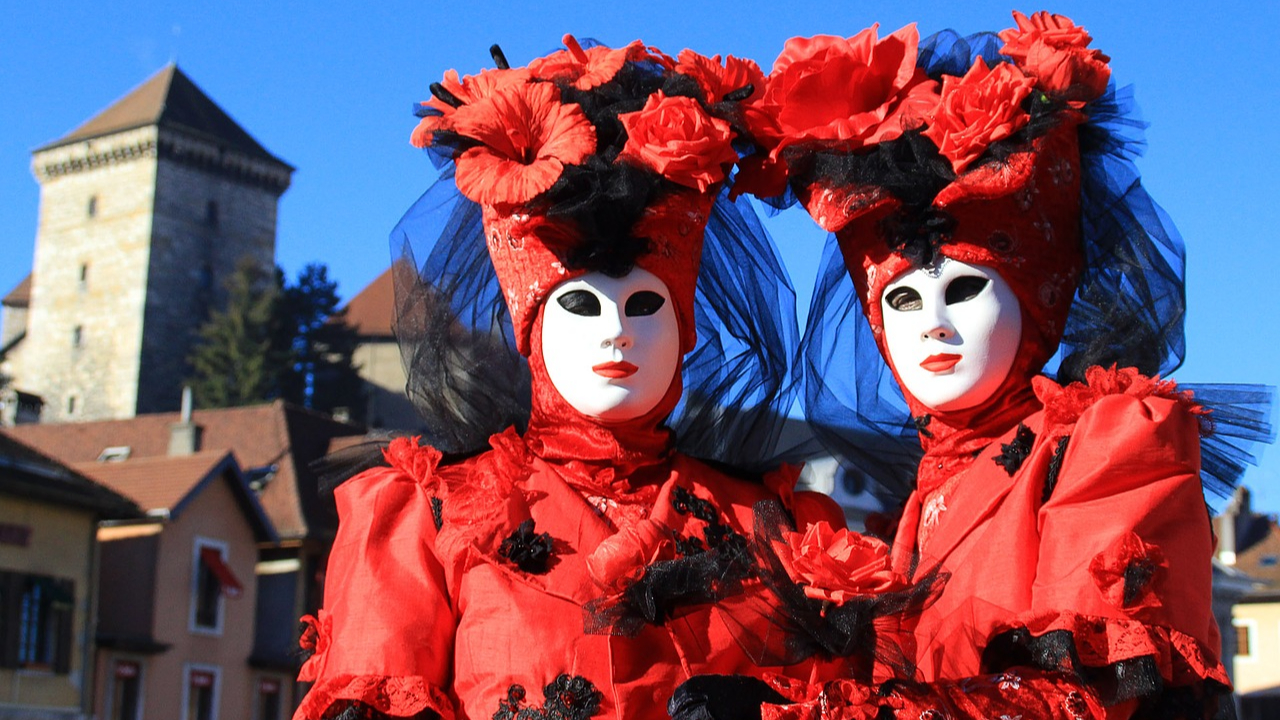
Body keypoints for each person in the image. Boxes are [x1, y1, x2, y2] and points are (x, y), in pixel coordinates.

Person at [676, 11, 1270, 720]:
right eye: (901, 297)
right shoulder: (932, 490)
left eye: (964, 287)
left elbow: (1076, 701)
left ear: (1038, 292)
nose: (933, 322)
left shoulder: (1113, 443)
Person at [292, 37, 854, 720]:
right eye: (580, 304)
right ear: (530, 329)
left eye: (647, 305)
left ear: (686, 329)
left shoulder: (769, 524)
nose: (616, 331)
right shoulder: (429, 518)